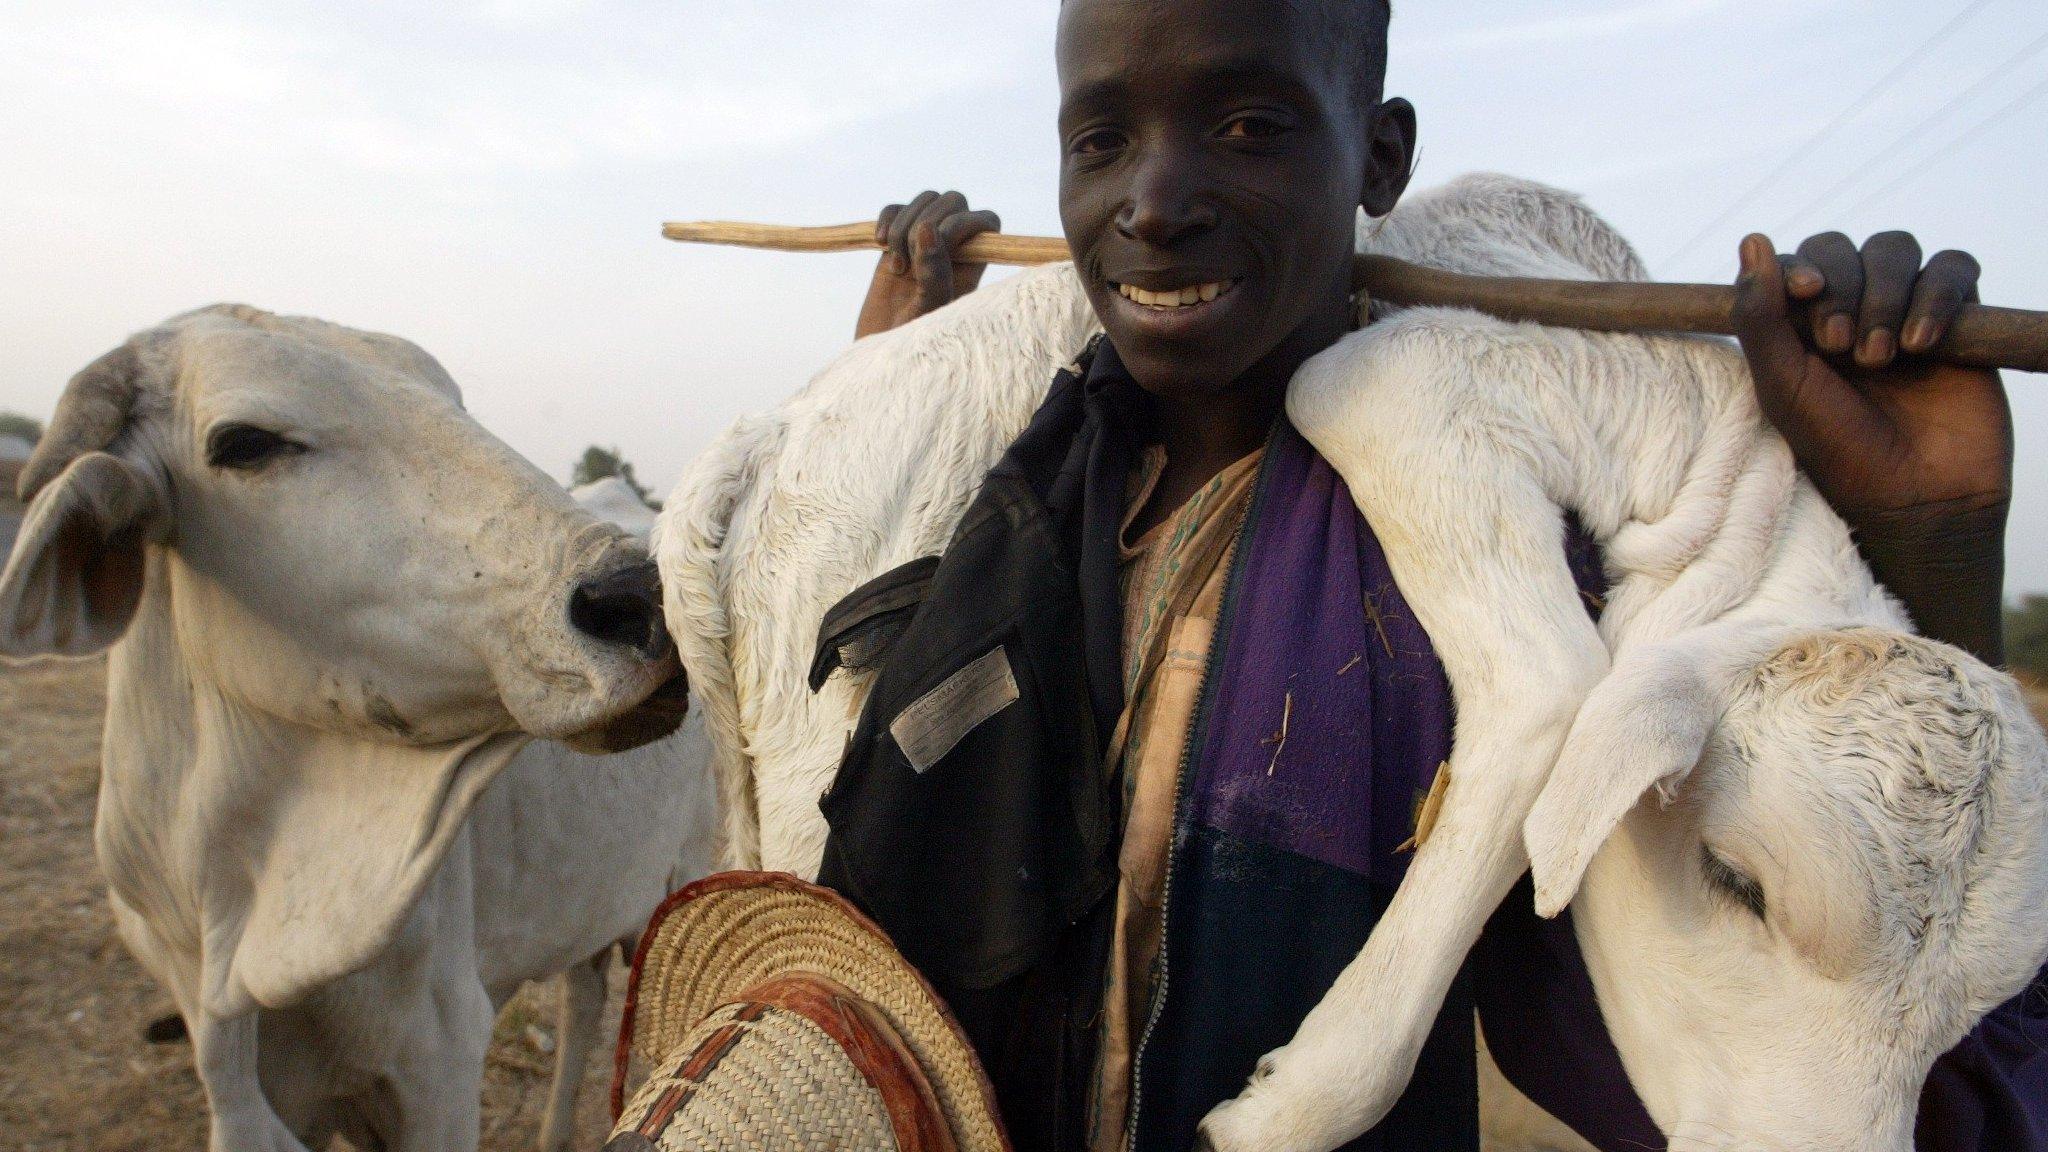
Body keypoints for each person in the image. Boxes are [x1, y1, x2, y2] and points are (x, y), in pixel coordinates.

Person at [818, 2, 2035, 1149]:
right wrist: (883, 370)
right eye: (1099, 139)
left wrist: (1925, 544)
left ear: (1379, 158)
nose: (1154, 199)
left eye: (1248, 126)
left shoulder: (1521, 585)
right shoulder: (1035, 482)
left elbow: (1828, 1039)